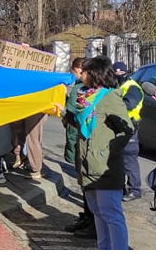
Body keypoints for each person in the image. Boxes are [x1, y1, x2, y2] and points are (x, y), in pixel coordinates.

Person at [75, 55, 133, 250]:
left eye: (85, 71)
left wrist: (108, 151)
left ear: (95, 74)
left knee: (111, 214)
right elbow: (88, 126)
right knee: (98, 212)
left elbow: (126, 129)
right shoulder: (87, 97)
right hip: (88, 164)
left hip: (105, 166)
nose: (81, 74)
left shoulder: (109, 98)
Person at [61, 57, 96, 238]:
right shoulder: (81, 89)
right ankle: (87, 217)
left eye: (83, 72)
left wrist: (65, 115)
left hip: (89, 145)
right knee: (84, 183)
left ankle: (92, 222)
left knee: (89, 184)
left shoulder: (87, 91)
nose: (81, 74)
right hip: (83, 142)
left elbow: (76, 115)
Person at [112, 61, 144, 202]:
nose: (119, 74)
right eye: (116, 72)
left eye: (121, 72)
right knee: (117, 159)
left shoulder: (132, 87)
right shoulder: (115, 86)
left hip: (129, 126)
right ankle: (121, 188)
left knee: (129, 159)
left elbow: (129, 104)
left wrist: (112, 104)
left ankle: (135, 190)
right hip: (117, 126)